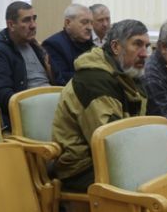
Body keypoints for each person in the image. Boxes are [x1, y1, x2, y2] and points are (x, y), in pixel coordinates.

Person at [52, 19, 150, 191]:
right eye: (137, 45)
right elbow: (110, 143)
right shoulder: (94, 80)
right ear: (116, 47)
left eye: (147, 46)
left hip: (112, 159)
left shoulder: (130, 76)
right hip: (81, 168)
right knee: (151, 183)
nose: (144, 53)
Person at [0, 0, 55, 129]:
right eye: (26, 20)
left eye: (34, 19)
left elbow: (57, 81)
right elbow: (2, 96)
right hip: (28, 113)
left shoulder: (35, 46)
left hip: (52, 106)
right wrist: (37, 105)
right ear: (11, 25)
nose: (33, 25)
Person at [42, 4, 95, 84]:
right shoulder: (53, 44)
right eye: (84, 22)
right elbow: (61, 77)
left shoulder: (91, 44)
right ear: (68, 23)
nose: (90, 27)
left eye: (91, 23)